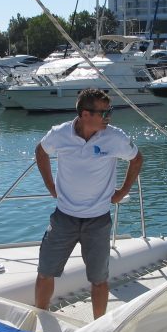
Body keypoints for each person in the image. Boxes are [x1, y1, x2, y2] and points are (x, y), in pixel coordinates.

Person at [34, 88, 144, 319]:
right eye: (103, 112)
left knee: (99, 279)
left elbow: (137, 159)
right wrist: (50, 187)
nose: (108, 117)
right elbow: (41, 152)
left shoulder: (115, 137)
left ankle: (98, 327)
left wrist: (123, 191)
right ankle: (39, 317)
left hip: (98, 220)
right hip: (64, 216)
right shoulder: (60, 134)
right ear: (85, 114)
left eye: (109, 111)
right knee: (45, 272)